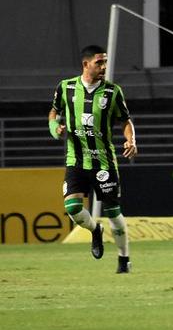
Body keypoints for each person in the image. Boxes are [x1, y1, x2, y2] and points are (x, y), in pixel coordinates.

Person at [48, 45, 138, 273]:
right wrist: (53, 127)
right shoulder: (66, 87)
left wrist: (131, 140)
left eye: (105, 62)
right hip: (76, 161)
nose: (104, 67)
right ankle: (95, 230)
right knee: (73, 208)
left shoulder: (113, 91)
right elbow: (54, 111)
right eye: (99, 62)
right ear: (86, 64)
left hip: (104, 162)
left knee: (113, 212)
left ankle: (124, 258)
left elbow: (125, 120)